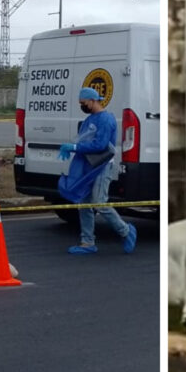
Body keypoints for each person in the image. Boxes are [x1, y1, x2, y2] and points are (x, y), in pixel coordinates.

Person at [58, 87, 137, 255]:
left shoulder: (106, 119)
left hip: (102, 166)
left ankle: (126, 231)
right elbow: (83, 139)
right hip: (89, 166)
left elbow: (100, 145)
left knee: (99, 202)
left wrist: (74, 147)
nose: (82, 106)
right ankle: (87, 242)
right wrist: (74, 148)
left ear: (92, 101)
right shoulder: (90, 119)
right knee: (84, 204)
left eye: (83, 103)